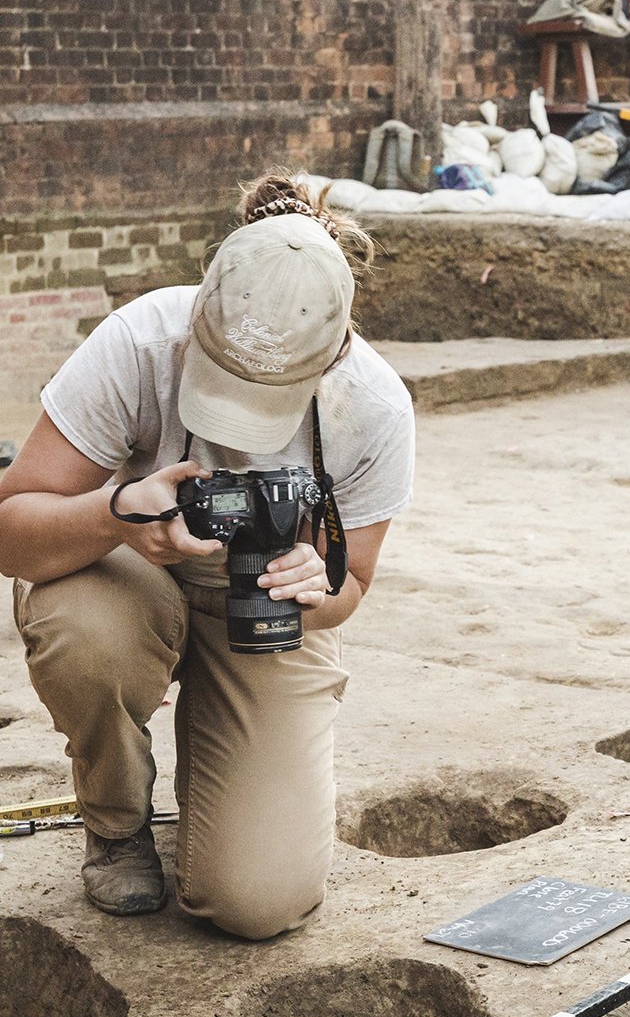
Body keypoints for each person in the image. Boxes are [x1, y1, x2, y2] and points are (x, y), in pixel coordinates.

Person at [0, 172, 415, 941]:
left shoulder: (374, 406)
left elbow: (352, 581)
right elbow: (9, 530)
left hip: (261, 617)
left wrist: (314, 589)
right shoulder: (141, 339)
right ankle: (118, 823)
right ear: (200, 312)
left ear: (334, 352)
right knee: (84, 628)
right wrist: (117, 515)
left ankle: (223, 790)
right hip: (129, 577)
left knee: (254, 904)